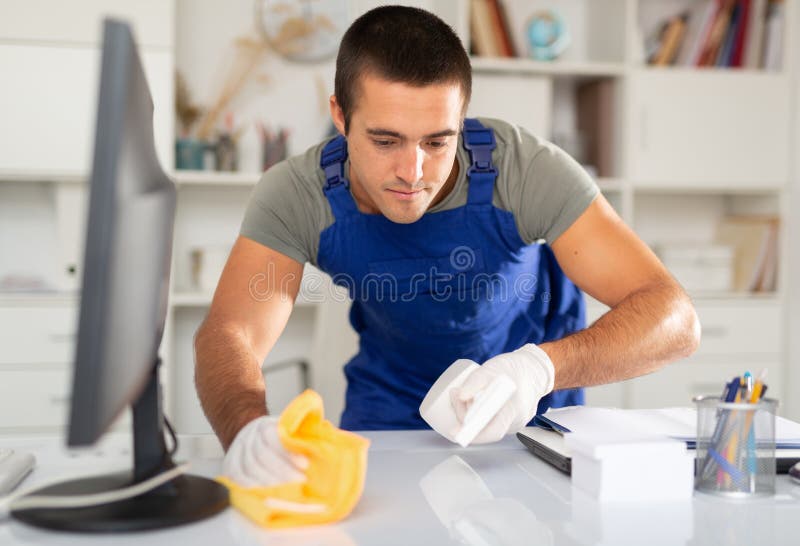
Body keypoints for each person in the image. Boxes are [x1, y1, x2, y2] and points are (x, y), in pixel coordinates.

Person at [195, 6, 700, 486]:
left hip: (527, 403)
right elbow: (230, 332)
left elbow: (674, 318)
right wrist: (247, 431)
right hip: (391, 400)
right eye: (385, 140)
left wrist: (538, 369)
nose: (412, 173)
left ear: (462, 120)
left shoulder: (524, 170)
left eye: (437, 141)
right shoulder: (297, 194)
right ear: (341, 117)